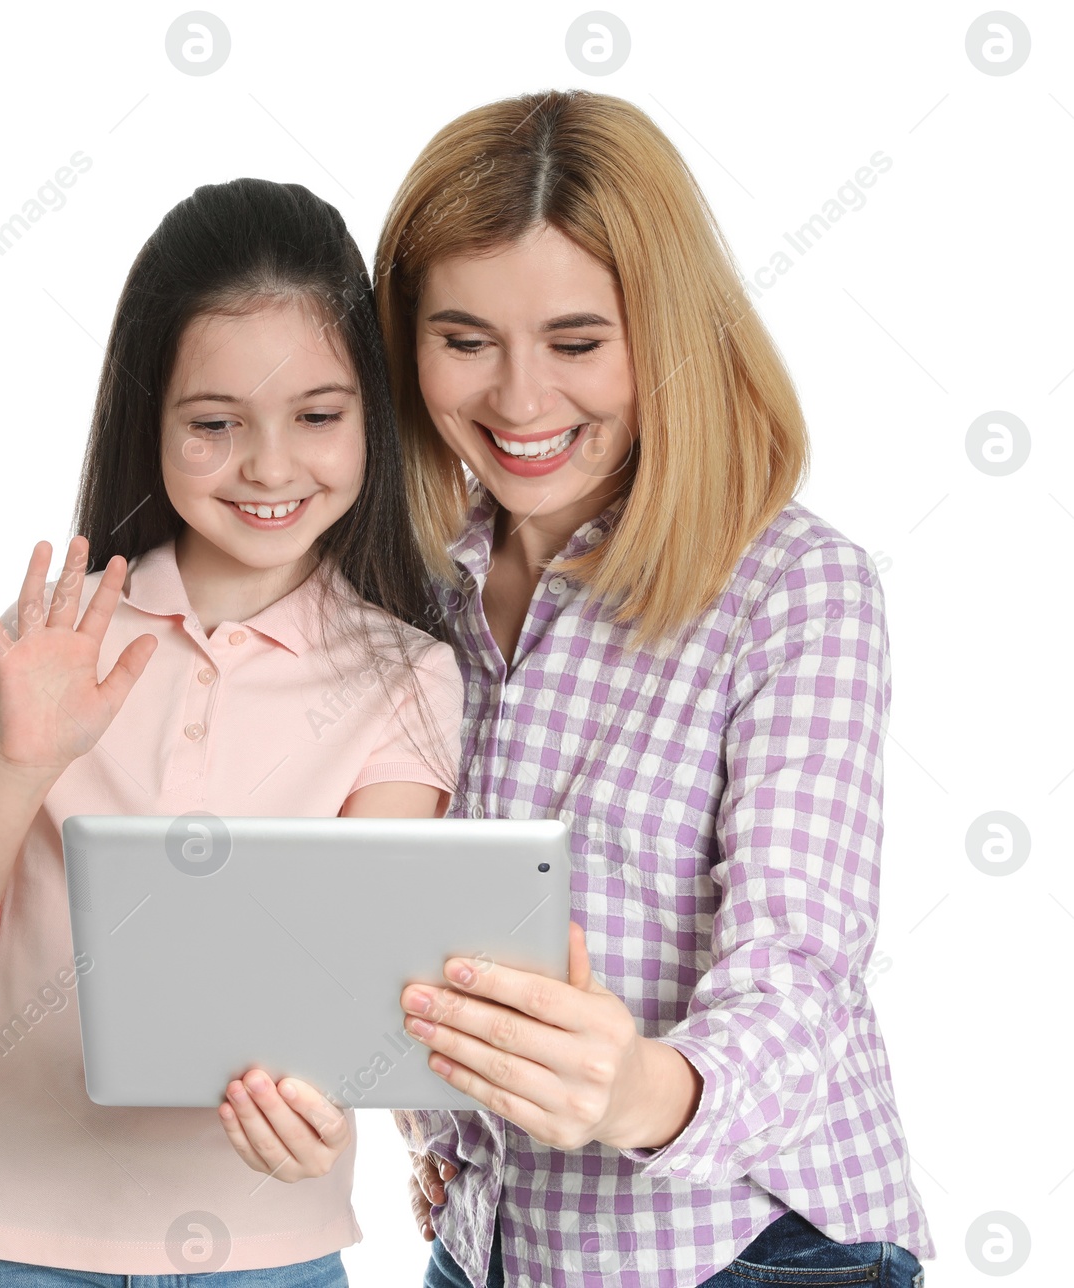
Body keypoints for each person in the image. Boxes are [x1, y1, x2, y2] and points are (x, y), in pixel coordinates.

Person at [371, 90, 934, 1287]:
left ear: (669, 335)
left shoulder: (795, 588)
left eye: (577, 343)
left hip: (752, 1250)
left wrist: (637, 1088)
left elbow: (800, 964)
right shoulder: (409, 592)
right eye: (464, 340)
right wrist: (429, 1119)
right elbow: (385, 904)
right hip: (489, 1250)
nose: (519, 403)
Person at [0, 177, 465, 1285]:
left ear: (371, 416)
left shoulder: (407, 678)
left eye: (317, 416)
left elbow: (359, 996)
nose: (270, 466)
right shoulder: (47, 642)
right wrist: (23, 758)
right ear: (149, 418)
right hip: (4, 1228)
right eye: (214, 424)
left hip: (266, 1244)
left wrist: (329, 1105)